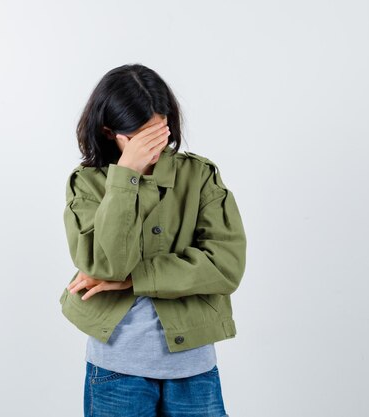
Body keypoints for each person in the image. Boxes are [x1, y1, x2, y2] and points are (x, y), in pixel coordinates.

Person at [59, 63, 247, 417]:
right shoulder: (87, 183)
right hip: (116, 368)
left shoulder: (200, 175)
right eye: (139, 137)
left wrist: (134, 280)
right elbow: (105, 265)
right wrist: (125, 176)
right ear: (109, 131)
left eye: (159, 132)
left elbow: (226, 267)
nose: (153, 147)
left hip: (193, 367)